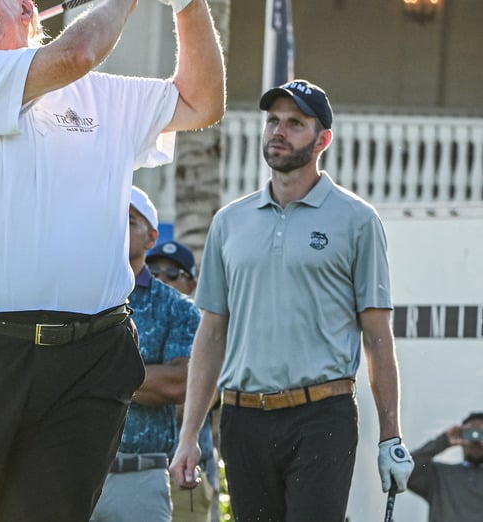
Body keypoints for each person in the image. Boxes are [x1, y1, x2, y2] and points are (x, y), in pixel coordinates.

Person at [0, 0, 225, 521]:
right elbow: (79, 50)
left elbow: (203, 101)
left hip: (90, 356)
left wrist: (188, 2)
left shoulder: (102, 96)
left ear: (29, 10)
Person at [170, 79, 415, 521]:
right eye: (273, 121)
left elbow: (378, 337)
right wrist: (189, 434)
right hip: (242, 418)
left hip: (323, 415)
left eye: (295, 123)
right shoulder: (229, 222)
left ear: (323, 140)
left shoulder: (358, 221)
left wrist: (391, 437)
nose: (278, 132)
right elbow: (211, 334)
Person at [90, 187, 200, 522]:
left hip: (141, 477)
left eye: (129, 220)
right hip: (73, 471)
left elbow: (178, 384)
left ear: (151, 237)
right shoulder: (72, 297)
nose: (115, 226)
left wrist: (91, 378)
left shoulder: (176, 307)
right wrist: (143, 378)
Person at [147, 239, 219, 522]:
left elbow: (186, 402)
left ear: (192, 284)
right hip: (124, 474)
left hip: (186, 476)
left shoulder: (211, 336)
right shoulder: (129, 320)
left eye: (173, 274)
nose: (162, 280)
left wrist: (126, 385)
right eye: (153, 272)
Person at [409, 411, 483, 521]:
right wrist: (444, 440)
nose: (476, 440)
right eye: (471, 433)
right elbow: (405, 470)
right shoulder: (440, 476)